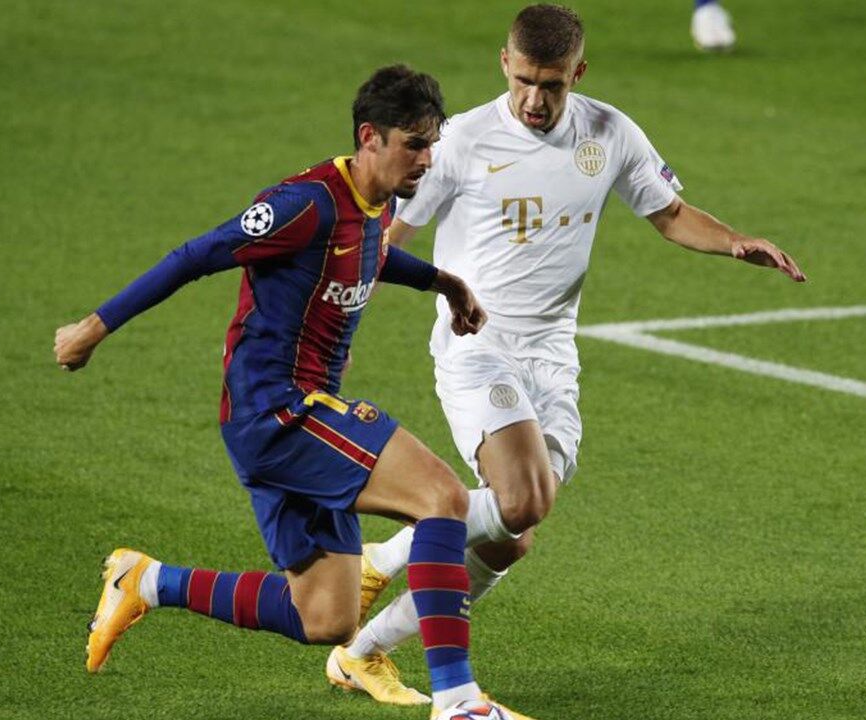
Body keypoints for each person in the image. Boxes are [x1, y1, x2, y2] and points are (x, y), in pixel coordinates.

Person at [325, 4, 805, 705]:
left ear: (577, 73)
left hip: (553, 357)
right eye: (523, 80)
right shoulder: (461, 142)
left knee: (512, 535)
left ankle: (363, 652)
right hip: (477, 345)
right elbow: (386, 237)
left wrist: (735, 242)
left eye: (551, 85)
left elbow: (670, 213)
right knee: (521, 501)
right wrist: (335, 316)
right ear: (504, 63)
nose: (534, 99)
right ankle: (389, 562)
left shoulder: (609, 133)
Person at [53, 64, 533, 719]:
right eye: (414, 144)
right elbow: (196, 255)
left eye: (432, 144)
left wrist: (442, 283)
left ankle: (148, 580)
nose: (427, 159)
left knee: (326, 616)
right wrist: (92, 328)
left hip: (286, 418)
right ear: (370, 137)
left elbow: (371, 251)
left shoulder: (379, 200)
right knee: (442, 499)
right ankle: (457, 703)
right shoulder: (302, 205)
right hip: (278, 411)